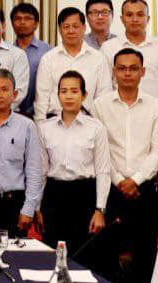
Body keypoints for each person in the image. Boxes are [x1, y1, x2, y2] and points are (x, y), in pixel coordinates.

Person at [87, 48, 158, 283]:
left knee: (145, 253)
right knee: (106, 253)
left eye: (133, 68)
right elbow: (99, 151)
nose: (127, 73)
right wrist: (120, 181)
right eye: (122, 68)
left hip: (144, 189)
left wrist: (136, 180)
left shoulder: (155, 106)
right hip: (111, 188)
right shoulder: (100, 105)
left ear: (143, 72)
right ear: (114, 72)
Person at [37, 71, 110, 254]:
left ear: (84, 95)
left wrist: (100, 209)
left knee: (83, 255)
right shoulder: (45, 128)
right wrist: (37, 207)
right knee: (52, 255)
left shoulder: (96, 128)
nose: (68, 96)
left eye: (74, 91)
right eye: (64, 91)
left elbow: (103, 171)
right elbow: (41, 172)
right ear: (58, 95)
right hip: (54, 196)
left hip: (84, 196)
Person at [0, 69, 44, 237]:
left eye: (4, 89)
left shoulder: (27, 126)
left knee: (13, 251)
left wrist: (29, 208)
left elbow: (34, 171)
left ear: (14, 94)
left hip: (14, 203)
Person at [34, 7, 113, 120]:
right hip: (54, 121)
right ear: (60, 30)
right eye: (66, 27)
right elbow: (41, 98)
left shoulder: (98, 58)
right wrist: (41, 125)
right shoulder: (48, 59)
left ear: (84, 28)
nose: (71, 31)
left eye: (75, 26)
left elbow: (104, 96)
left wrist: (98, 125)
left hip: (89, 121)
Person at [100, 0, 158, 111]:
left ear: (148, 18)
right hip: (119, 112)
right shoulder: (108, 47)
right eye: (129, 15)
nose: (135, 19)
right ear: (122, 19)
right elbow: (105, 86)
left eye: (140, 15)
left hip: (154, 113)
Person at [11, 3, 52, 117]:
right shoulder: (7, 52)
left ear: (36, 24)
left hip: (43, 113)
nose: (22, 22)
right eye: (18, 19)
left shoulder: (48, 51)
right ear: (12, 24)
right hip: (13, 113)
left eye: (27, 18)